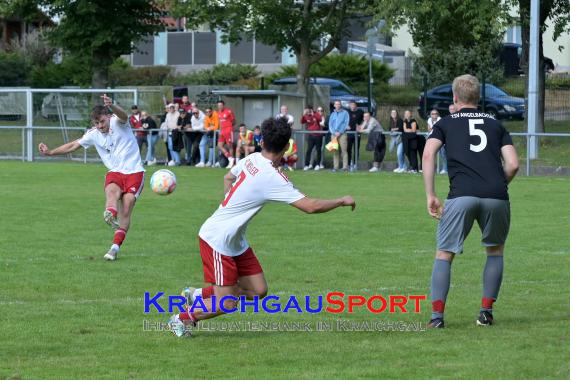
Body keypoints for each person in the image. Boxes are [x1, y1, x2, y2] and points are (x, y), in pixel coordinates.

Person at [168, 117, 356, 337]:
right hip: (217, 240)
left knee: (258, 291)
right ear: (287, 147)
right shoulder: (272, 176)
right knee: (226, 303)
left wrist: (232, 206)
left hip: (234, 240)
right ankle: (180, 319)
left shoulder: (253, 158)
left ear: (261, 140)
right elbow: (310, 206)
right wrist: (341, 200)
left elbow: (228, 177)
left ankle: (196, 294)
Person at [422, 74, 519, 329]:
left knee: (444, 254)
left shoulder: (445, 122)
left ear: (455, 97)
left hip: (461, 195)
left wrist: (430, 194)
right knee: (495, 251)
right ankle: (486, 313)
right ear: (478, 98)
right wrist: (498, 184)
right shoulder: (496, 124)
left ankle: (437, 318)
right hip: (497, 195)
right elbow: (513, 164)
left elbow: (428, 154)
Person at [38, 94, 145, 261]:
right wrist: (50, 152)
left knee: (127, 205)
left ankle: (114, 248)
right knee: (111, 191)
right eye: (96, 123)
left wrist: (112, 105)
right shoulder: (93, 134)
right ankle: (109, 213)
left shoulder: (118, 122)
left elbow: (124, 115)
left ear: (108, 116)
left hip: (135, 171)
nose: (100, 126)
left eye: (102, 121)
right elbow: (73, 145)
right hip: (115, 171)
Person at [328, 100, 349, 172]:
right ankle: (335, 167)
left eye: (339, 104)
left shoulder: (345, 113)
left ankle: (345, 167)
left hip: (342, 134)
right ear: (334, 105)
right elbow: (330, 124)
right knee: (335, 151)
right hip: (334, 135)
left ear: (341, 105)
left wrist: (340, 132)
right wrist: (334, 132)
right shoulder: (332, 114)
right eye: (336, 104)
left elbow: (346, 123)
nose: (337, 105)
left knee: (344, 151)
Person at [301, 105, 323, 171]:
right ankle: (306, 165)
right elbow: (302, 121)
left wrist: (314, 114)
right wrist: (303, 115)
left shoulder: (316, 114)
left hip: (318, 135)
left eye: (308, 109)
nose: (307, 111)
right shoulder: (306, 115)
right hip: (311, 135)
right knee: (309, 150)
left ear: (311, 109)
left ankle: (317, 165)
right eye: (306, 109)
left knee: (318, 150)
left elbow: (320, 119)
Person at [427, 109, 447, 174]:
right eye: (432, 114)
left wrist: (433, 129)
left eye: (435, 113)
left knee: (443, 154)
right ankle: (432, 169)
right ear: (430, 115)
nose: (434, 115)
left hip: (440, 139)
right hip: (432, 139)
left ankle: (445, 168)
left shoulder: (440, 119)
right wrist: (433, 129)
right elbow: (429, 130)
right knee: (431, 154)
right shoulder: (429, 120)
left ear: (437, 114)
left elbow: (436, 129)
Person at [217, 100, 236, 169]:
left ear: (223, 105)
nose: (220, 107)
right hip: (222, 131)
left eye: (221, 105)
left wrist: (229, 127)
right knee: (219, 145)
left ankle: (232, 163)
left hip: (228, 130)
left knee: (230, 146)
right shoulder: (218, 113)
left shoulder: (228, 111)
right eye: (218, 105)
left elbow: (234, 121)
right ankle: (230, 158)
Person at [347, 100, 364, 172]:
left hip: (357, 133)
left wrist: (361, 126)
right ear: (349, 105)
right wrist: (346, 125)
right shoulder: (347, 112)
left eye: (354, 105)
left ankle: (355, 163)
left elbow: (366, 118)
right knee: (348, 148)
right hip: (349, 133)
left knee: (356, 148)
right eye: (351, 105)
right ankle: (349, 163)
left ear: (356, 105)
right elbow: (343, 120)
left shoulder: (360, 112)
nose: (352, 106)